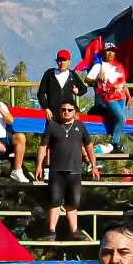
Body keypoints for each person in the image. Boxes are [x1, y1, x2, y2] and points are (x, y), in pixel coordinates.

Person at [45, 99, 100, 241]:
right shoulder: (52, 125)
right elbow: (43, 146)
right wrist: (40, 164)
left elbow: (89, 146)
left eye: (69, 110)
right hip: (56, 170)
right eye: (63, 109)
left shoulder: (80, 126)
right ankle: (51, 231)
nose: (66, 112)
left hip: (75, 171)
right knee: (55, 201)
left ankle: (74, 230)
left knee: (72, 203)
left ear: (75, 112)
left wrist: (94, 165)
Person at [36, 48, 89, 180]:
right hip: (53, 113)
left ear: (69, 61)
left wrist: (78, 91)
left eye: (64, 60)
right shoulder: (49, 74)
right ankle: (47, 168)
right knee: (48, 142)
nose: (62, 63)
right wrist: (46, 108)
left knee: (74, 139)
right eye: (59, 60)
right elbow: (41, 93)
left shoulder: (72, 75)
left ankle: (83, 162)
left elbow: (83, 88)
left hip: (69, 112)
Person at [86, 42, 130, 155]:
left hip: (121, 96)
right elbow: (87, 80)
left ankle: (112, 144)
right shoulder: (99, 66)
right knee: (121, 119)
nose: (110, 53)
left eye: (112, 51)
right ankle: (114, 143)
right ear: (104, 52)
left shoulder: (119, 66)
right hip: (109, 97)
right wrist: (98, 80)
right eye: (108, 51)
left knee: (116, 119)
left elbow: (123, 82)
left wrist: (128, 96)